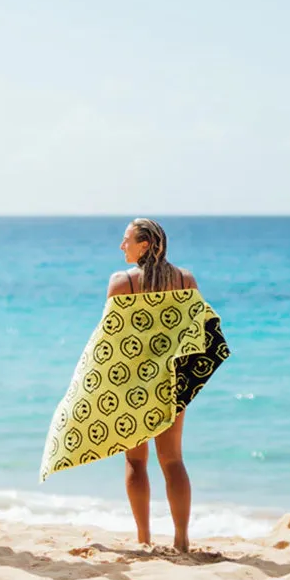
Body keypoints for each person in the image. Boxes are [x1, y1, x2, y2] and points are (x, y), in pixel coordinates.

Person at [107, 218, 197, 553]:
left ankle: (144, 538)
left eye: (126, 239)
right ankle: (181, 539)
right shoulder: (185, 280)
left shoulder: (122, 283)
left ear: (144, 245)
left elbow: (110, 343)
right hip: (172, 381)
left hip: (133, 384)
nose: (122, 245)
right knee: (173, 460)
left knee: (136, 461)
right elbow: (195, 335)